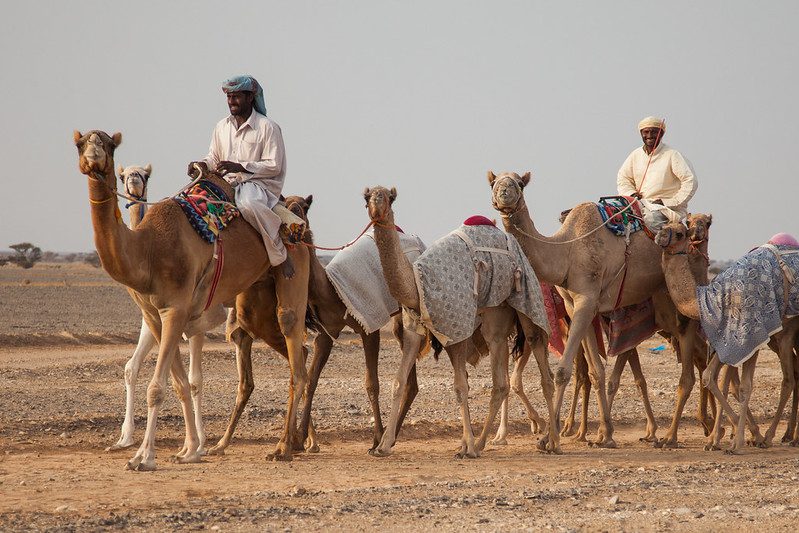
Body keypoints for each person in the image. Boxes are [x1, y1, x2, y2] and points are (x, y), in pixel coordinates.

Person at [189, 75, 294, 278]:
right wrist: (202, 164)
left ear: (250, 98)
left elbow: (274, 165)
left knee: (247, 204)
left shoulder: (268, 127)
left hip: (258, 184)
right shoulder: (221, 127)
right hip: (225, 182)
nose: (231, 102)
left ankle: (279, 255)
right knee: (192, 201)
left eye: (236, 97)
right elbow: (214, 156)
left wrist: (240, 167)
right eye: (229, 97)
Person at [616, 116, 698, 231]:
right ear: (641, 134)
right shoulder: (635, 155)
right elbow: (623, 178)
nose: (649, 135)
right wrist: (631, 193)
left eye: (654, 132)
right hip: (638, 204)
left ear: (661, 134)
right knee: (613, 216)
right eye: (646, 132)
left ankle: (663, 248)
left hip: (664, 209)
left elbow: (690, 180)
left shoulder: (672, 155)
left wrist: (669, 202)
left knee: (651, 220)